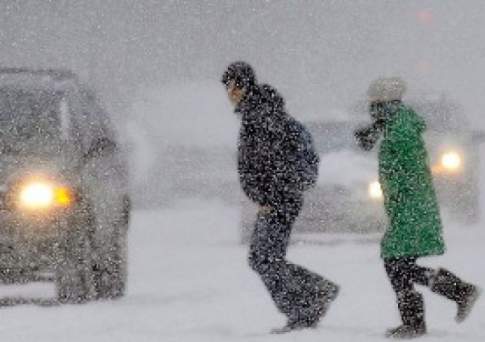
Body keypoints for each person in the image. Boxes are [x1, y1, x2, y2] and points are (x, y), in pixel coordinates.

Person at [355, 77, 481, 339]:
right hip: (409, 206)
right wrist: (375, 131)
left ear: (385, 102)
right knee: (399, 264)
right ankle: (427, 313)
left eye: (374, 102)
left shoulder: (399, 128)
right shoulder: (396, 123)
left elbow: (405, 170)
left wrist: (377, 132)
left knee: (395, 263)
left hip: (410, 206)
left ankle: (453, 296)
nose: (371, 107)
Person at [221, 61, 339, 333]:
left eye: (230, 86)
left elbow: (272, 160)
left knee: (264, 258)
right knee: (265, 257)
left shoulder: (261, 115)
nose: (228, 93)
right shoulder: (257, 112)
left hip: (279, 200)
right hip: (278, 198)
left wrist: (270, 196)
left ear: (242, 85)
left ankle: (309, 302)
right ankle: (312, 297)